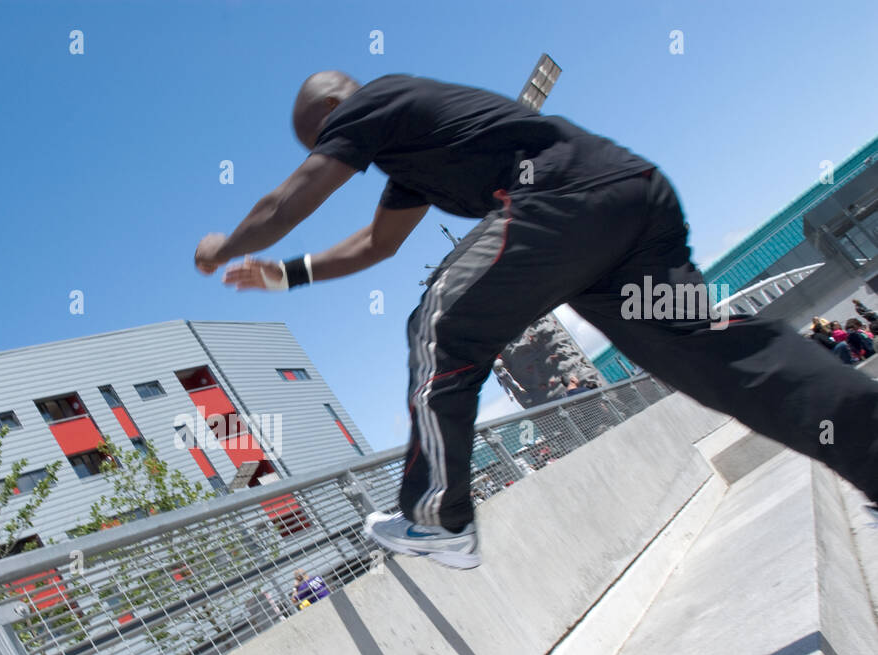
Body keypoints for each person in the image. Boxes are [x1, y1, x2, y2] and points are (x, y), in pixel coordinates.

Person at [194, 71, 878, 568]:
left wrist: (230, 244)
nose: (338, 154)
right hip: (629, 204)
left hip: (561, 197)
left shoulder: (374, 101)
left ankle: (438, 517)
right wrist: (284, 274)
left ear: (331, 116)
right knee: (713, 354)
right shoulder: (413, 163)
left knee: (441, 324)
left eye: (326, 142)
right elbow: (376, 245)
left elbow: (289, 200)